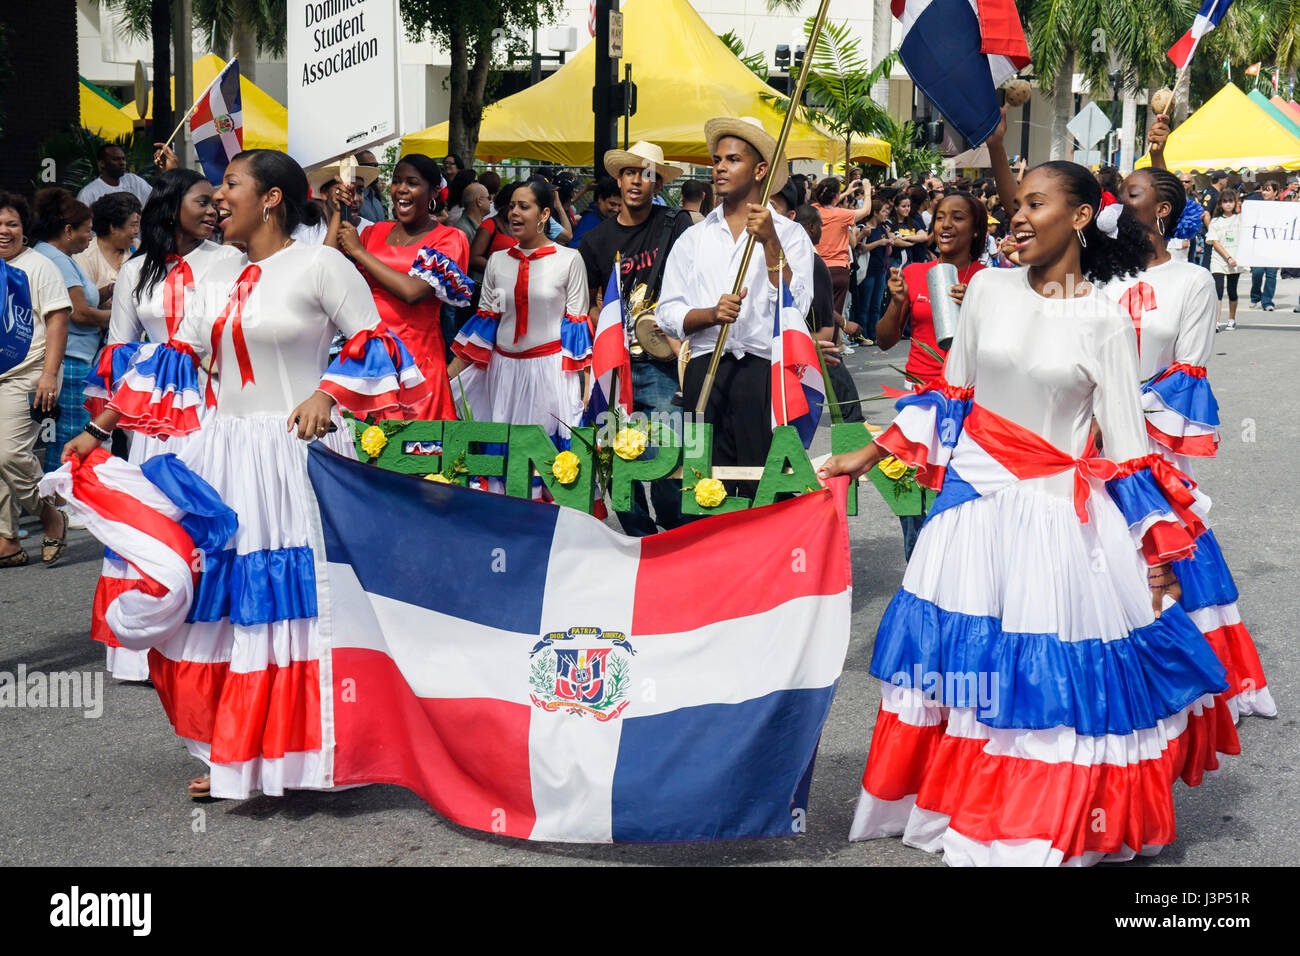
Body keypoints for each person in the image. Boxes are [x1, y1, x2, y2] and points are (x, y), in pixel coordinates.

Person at [818, 161, 1233, 866]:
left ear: (1077, 217)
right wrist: (864, 455)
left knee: (1037, 674)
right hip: (971, 512)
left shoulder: (1105, 318)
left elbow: (1128, 451)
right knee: (961, 664)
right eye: (1014, 202)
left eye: (1035, 203)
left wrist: (1158, 554)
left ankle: (1032, 818)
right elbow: (953, 397)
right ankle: (950, 804)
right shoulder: (984, 289)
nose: (1016, 215)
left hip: (1054, 522)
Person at [62, 148, 431, 800]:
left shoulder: (320, 264)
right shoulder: (219, 282)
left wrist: (331, 392)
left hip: (293, 457)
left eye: (231, 184)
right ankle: (233, 748)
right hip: (226, 454)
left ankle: (308, 752)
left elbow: (375, 341)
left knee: (292, 607)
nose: (218, 197)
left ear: (271, 200)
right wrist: (96, 430)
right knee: (217, 608)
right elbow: (171, 363)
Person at [1106, 167, 1275, 722]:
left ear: (1159, 211)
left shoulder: (1193, 282)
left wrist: (1125, 422)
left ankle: (1189, 672)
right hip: (1086, 442)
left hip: (1153, 439)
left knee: (1164, 552)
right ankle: (1114, 669)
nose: (1117, 202)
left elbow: (1187, 374)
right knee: (1101, 554)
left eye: (1130, 194)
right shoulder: (1097, 273)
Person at [83, 167, 243, 680]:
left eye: (217, 202)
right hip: (151, 417)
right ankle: (144, 645)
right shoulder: (136, 270)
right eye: (203, 201)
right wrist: (109, 422)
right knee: (155, 517)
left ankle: (208, 637)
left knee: (206, 511)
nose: (214, 210)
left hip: (216, 407)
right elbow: (120, 347)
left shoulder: (233, 261)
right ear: (172, 205)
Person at [657, 116, 815, 491]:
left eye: (732, 160)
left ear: (761, 169)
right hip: (704, 371)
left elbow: (800, 307)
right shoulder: (694, 238)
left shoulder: (790, 235)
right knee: (704, 490)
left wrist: (771, 243)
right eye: (717, 160)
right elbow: (667, 313)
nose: (720, 168)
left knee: (764, 489)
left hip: (764, 375)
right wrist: (711, 314)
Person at [577, 141, 692, 535]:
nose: (637, 181)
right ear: (619, 179)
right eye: (630, 173)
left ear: (657, 185)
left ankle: (674, 538)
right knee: (617, 460)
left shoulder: (675, 225)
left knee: (670, 460)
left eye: (647, 175)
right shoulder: (594, 242)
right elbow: (587, 305)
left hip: (664, 362)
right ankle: (640, 540)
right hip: (614, 365)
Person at [873, 190, 988, 559]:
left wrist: (977, 306)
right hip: (919, 403)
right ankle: (917, 576)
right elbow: (885, 341)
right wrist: (898, 302)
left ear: (975, 230)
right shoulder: (914, 273)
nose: (946, 225)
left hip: (970, 407)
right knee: (913, 505)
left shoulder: (989, 281)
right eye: (940, 217)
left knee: (959, 501)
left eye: (957, 217)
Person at [447, 179, 591, 466]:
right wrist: (447, 376)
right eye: (511, 206)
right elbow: (486, 326)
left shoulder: (570, 260)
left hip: (549, 373)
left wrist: (587, 390)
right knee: (502, 458)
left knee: (544, 464)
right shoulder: (497, 262)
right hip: (502, 373)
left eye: (524, 206)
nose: (514, 213)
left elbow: (577, 326)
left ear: (544, 214)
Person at [334, 153, 468, 421]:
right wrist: (337, 212)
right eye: (396, 181)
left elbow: (414, 293)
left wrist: (360, 253)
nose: (402, 189)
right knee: (360, 452)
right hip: (368, 357)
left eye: (412, 182)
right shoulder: (374, 232)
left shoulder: (449, 238)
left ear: (432, 192)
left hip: (416, 361)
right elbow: (327, 269)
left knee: (413, 454)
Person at [0, 191, 72, 568]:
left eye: (12, 223)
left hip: (27, 372)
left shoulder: (39, 266)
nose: (4, 231)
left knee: (9, 453)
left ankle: (49, 514)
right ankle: (6, 540)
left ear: (24, 230)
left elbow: (57, 319)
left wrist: (48, 374)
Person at [31, 189, 111, 473]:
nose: (91, 238)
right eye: (87, 231)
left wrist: (111, 290)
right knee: (70, 437)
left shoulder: (54, 255)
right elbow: (79, 313)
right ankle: (63, 502)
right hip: (71, 360)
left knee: (65, 436)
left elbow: (84, 301)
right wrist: (120, 317)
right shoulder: (58, 261)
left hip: (75, 357)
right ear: (68, 230)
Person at [812, 177, 872, 317]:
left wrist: (846, 192)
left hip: (817, 267)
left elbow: (826, 202)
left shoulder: (813, 210)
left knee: (817, 313)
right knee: (835, 315)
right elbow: (866, 210)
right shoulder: (842, 214)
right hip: (838, 269)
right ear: (836, 196)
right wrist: (867, 190)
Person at [74, 193, 141, 300]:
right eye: (133, 225)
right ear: (113, 227)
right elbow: (85, 302)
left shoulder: (137, 247)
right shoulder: (86, 256)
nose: (137, 231)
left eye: (138, 225)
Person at [851, 198, 892, 343]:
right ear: (875, 212)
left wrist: (889, 239)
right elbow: (861, 249)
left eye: (887, 210)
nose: (886, 213)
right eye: (883, 210)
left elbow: (890, 249)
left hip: (881, 270)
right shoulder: (864, 228)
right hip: (867, 271)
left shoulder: (883, 228)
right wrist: (879, 242)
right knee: (864, 305)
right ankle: (862, 335)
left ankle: (874, 335)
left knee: (876, 305)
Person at [1205, 189, 1246, 330]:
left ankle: (1231, 318)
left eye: (1230, 201)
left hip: (1236, 259)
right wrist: (1227, 257)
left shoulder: (1241, 219)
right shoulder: (1215, 221)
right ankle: (1215, 321)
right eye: (1225, 201)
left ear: (1235, 203)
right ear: (1220, 203)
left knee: (1232, 290)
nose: (1228, 204)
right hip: (1219, 260)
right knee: (1217, 290)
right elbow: (1215, 242)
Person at [77, 143, 153, 207]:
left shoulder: (134, 180)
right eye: (116, 159)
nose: (122, 163)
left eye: (123, 159)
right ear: (102, 163)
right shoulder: (88, 193)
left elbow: (157, 198)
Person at [1246, 181, 1279, 310]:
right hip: (1258, 245)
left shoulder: (1282, 207)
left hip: (1274, 246)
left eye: (1268, 190)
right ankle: (1255, 296)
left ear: (1275, 192)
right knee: (1257, 272)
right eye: (1263, 190)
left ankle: (1267, 301)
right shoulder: (1255, 205)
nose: (1264, 193)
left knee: (1271, 275)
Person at [571, 175, 621, 245]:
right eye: (612, 204)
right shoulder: (590, 220)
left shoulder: (602, 216)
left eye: (619, 205)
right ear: (600, 199)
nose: (616, 209)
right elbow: (576, 249)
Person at [451, 181, 490, 248]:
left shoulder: (477, 225)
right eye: (488, 198)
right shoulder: (461, 231)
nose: (491, 201)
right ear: (479, 201)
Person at [354, 150, 387, 223]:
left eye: (377, 166)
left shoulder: (376, 197)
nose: (376, 170)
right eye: (372, 166)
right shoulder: (354, 200)